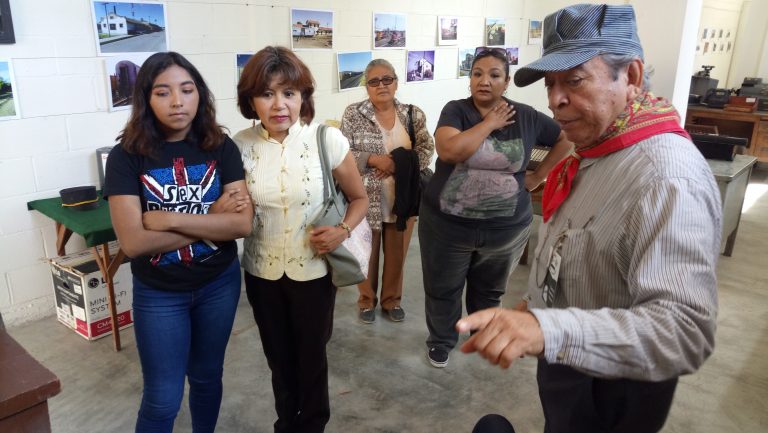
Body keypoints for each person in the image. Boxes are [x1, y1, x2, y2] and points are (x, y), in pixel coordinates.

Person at [456, 4, 722, 433]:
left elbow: (683, 331)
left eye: (574, 81)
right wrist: (534, 309)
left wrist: (548, 329)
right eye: (551, 83)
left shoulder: (665, 178)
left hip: (614, 389)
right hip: (568, 370)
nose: (555, 99)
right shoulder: (599, 149)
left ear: (631, 76)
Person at [104, 51, 253, 433]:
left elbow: (241, 224)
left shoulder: (220, 147)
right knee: (163, 397)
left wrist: (170, 220)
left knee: (206, 378)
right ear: (145, 100)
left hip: (218, 284)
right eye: (162, 92)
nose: (177, 102)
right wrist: (211, 217)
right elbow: (134, 242)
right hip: (159, 295)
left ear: (199, 95)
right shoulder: (125, 157)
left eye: (187, 90)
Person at [233, 46, 368, 433]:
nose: (279, 105)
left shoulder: (326, 140)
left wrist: (341, 230)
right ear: (251, 100)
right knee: (278, 359)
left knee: (311, 358)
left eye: (289, 93)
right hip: (261, 272)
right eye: (267, 93)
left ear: (303, 98)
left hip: (313, 272)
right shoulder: (239, 147)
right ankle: (284, 424)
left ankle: (311, 426)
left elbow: (359, 199)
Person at [421, 47, 572, 368]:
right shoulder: (456, 111)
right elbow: (450, 150)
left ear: (506, 83)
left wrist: (540, 176)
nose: (484, 81)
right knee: (442, 288)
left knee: (488, 291)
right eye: (477, 74)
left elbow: (566, 138)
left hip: (503, 230)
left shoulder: (527, 116)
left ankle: (480, 335)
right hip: (448, 226)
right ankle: (441, 340)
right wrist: (489, 123)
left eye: (494, 75)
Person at [340, 59, 435, 324]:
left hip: (402, 198)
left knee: (397, 255)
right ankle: (366, 301)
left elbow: (427, 148)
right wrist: (373, 159)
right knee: (366, 255)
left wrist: (397, 165)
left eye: (387, 79)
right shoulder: (353, 114)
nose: (381, 85)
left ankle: (392, 301)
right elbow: (342, 152)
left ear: (395, 82)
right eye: (374, 81)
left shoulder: (412, 114)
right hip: (364, 198)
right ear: (366, 86)